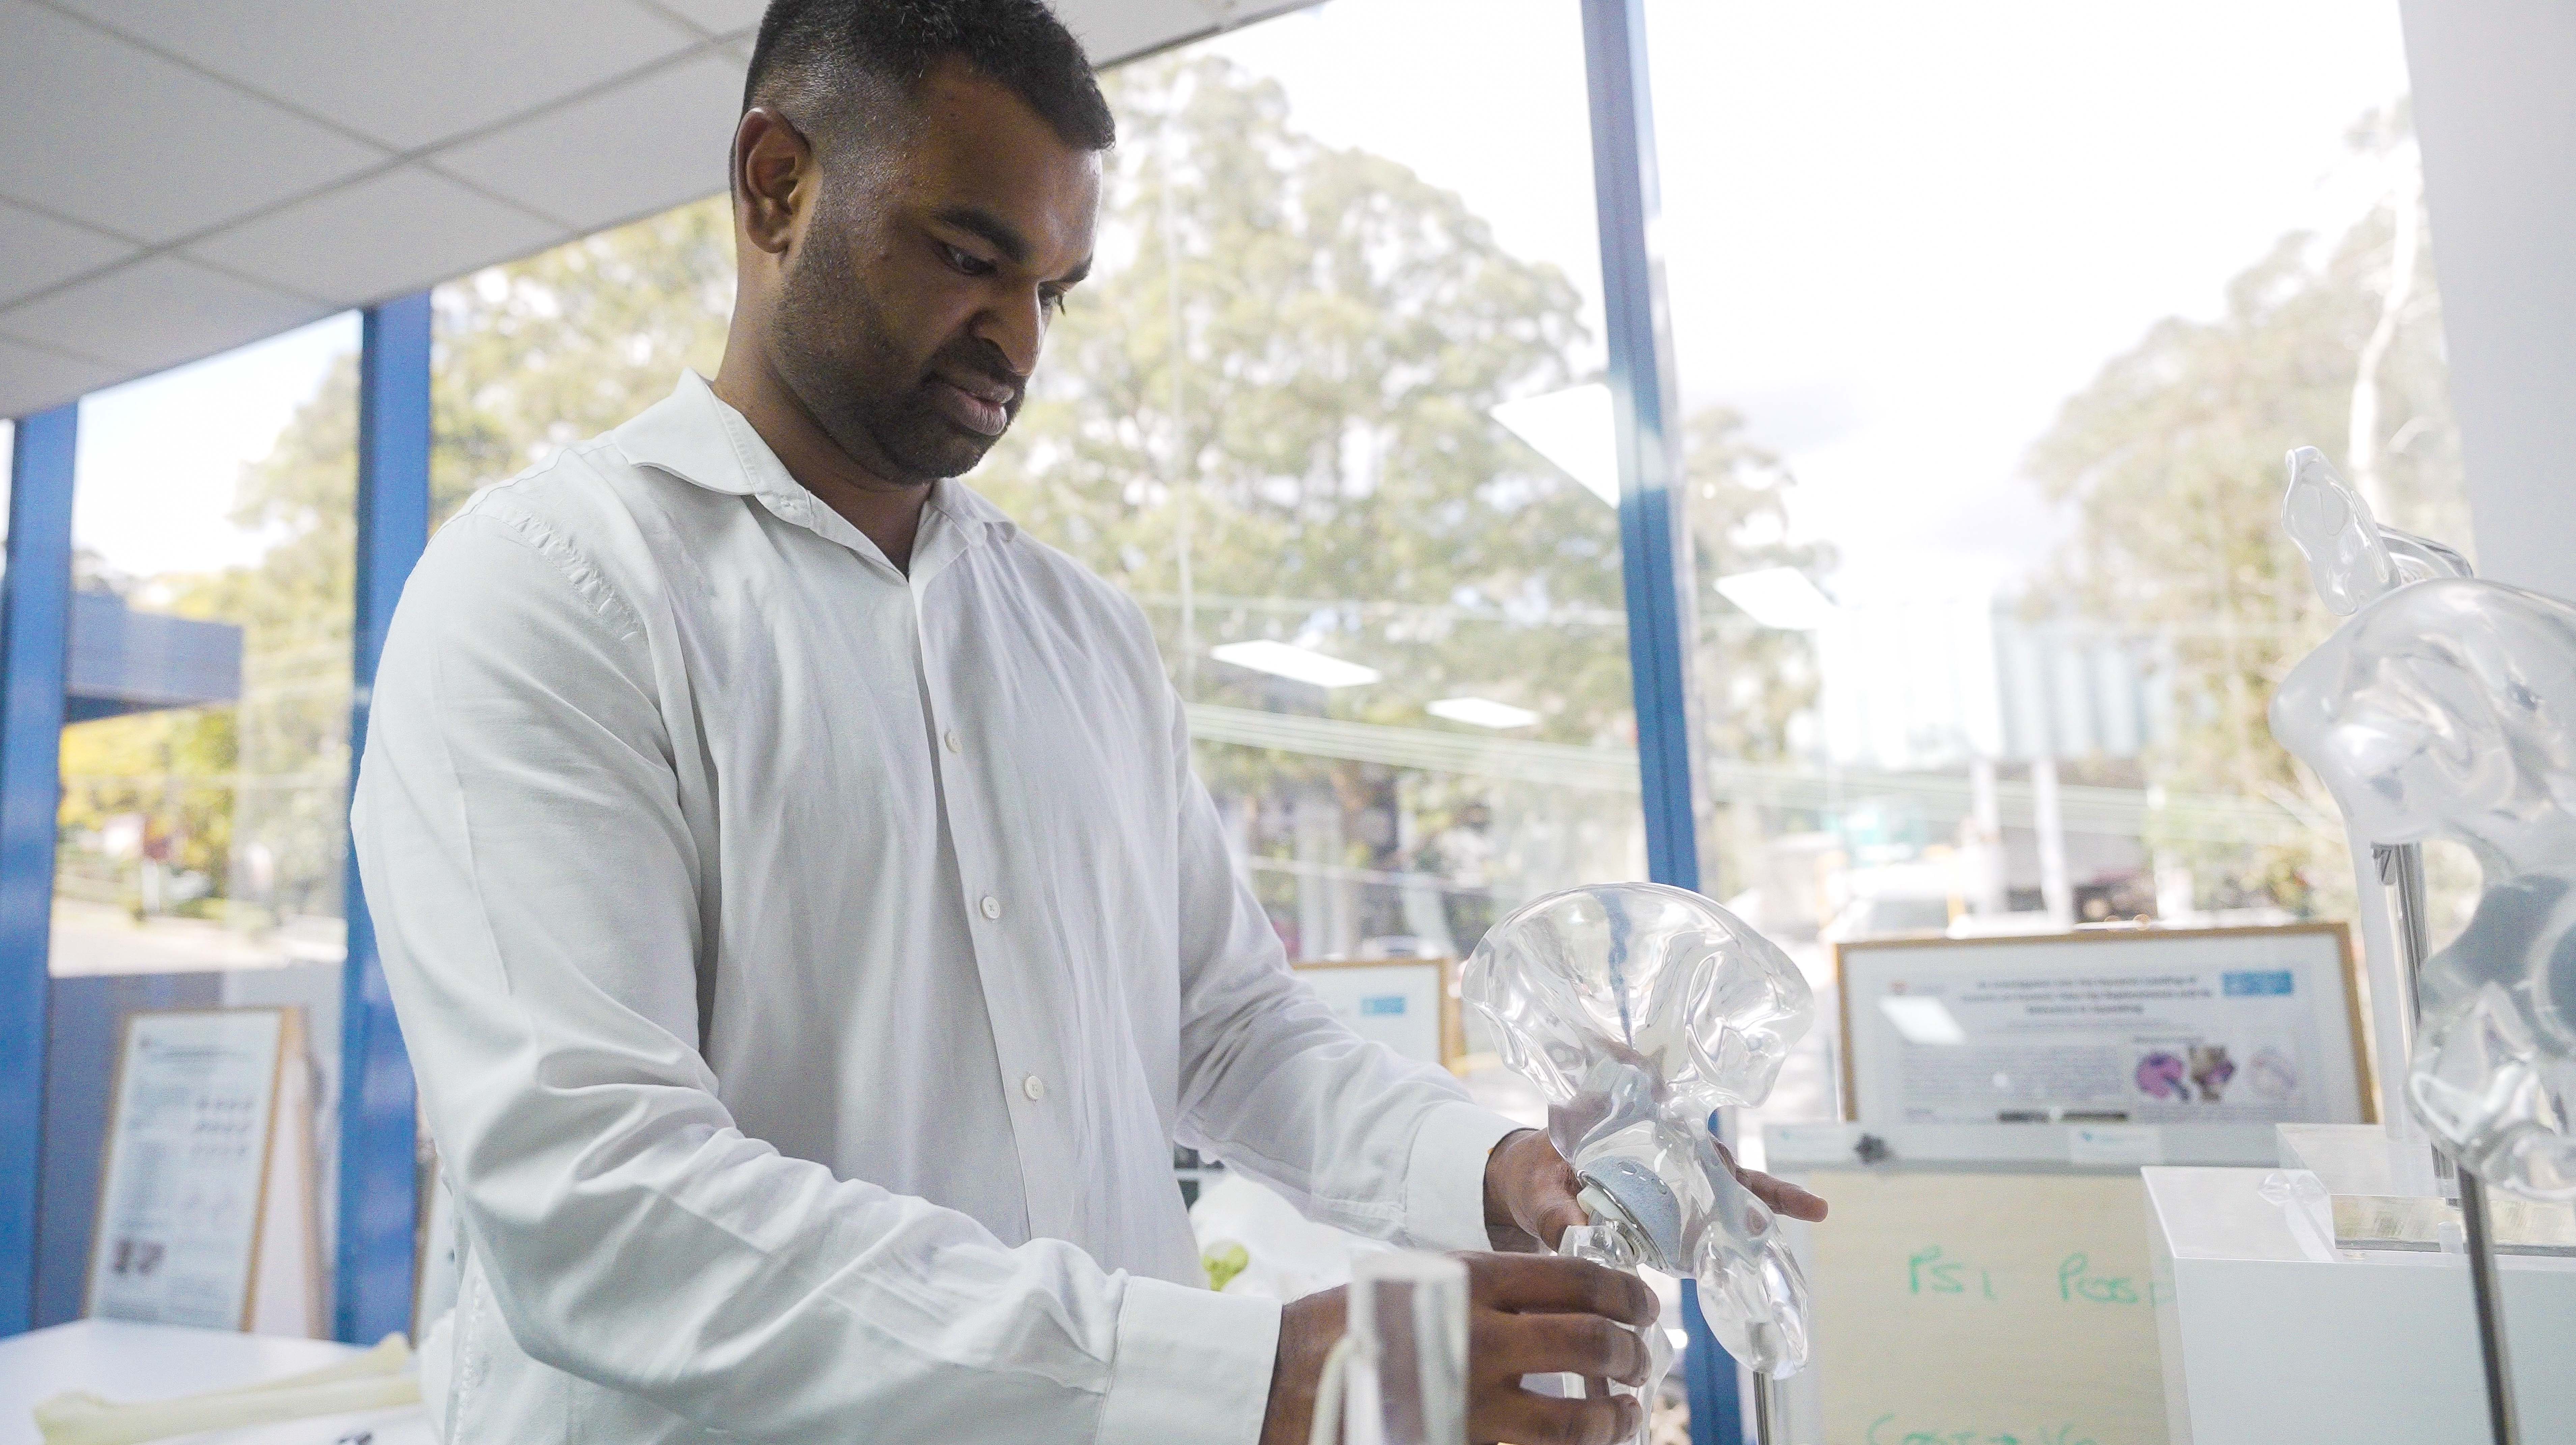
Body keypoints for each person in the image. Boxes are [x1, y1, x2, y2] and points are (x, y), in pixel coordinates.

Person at [352, 3, 1825, 1442]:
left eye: (1053, 291)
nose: (1017, 341)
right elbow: (600, 1200)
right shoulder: (551, 590)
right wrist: (1252, 1376)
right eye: (968, 258)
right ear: (775, 184)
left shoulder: (1082, 635)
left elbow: (1226, 1027)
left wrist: (1500, 1170)